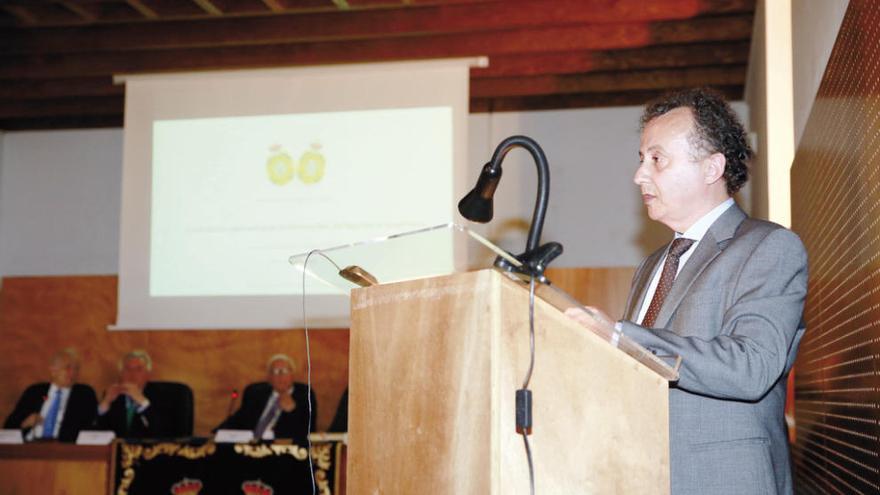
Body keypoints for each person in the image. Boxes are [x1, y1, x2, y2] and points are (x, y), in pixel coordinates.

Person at [566, 88, 807, 495]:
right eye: (641, 159)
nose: (639, 175)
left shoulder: (769, 247)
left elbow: (752, 367)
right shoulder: (651, 265)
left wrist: (621, 337)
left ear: (712, 168)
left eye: (657, 159)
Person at [3, 348, 98, 442]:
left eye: (76, 368)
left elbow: (93, 424)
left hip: (65, 448)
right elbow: (8, 427)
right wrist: (25, 423)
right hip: (30, 445)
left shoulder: (84, 394)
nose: (73, 372)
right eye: (67, 367)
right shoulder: (34, 392)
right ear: (53, 370)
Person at [217, 354, 316, 443]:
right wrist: (215, 434)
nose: (280, 376)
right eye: (275, 372)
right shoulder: (256, 393)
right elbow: (238, 419)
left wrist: (293, 411)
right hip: (250, 446)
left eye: (285, 371)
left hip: (282, 452)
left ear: (293, 374)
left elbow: (308, 429)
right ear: (269, 377)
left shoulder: (304, 395)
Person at [95, 349, 187, 439]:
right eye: (127, 369)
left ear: (148, 374)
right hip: (118, 452)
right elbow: (98, 434)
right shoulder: (113, 395)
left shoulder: (164, 396)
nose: (132, 374)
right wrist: (105, 404)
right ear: (121, 374)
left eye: (139, 369)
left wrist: (143, 403)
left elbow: (166, 433)